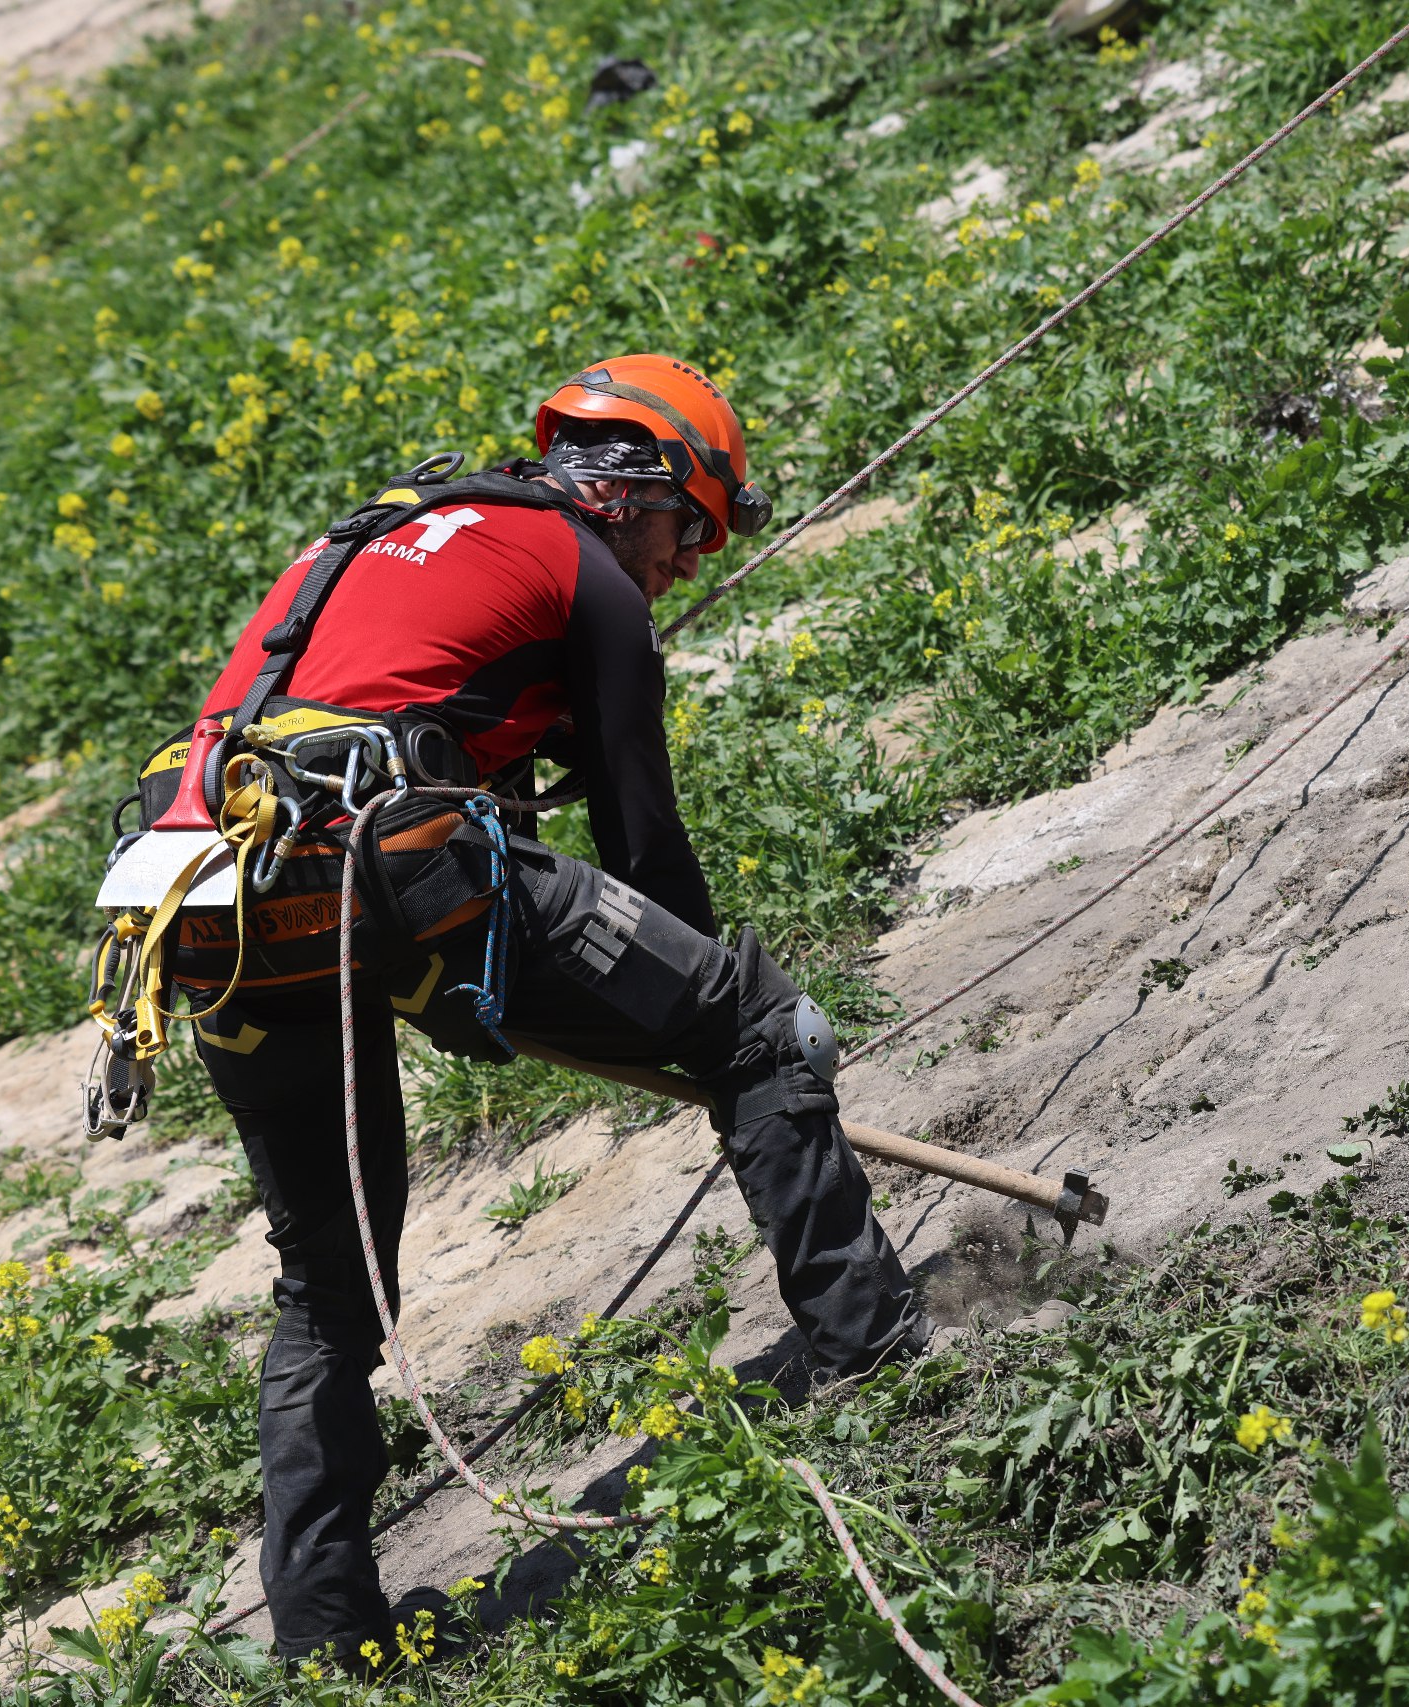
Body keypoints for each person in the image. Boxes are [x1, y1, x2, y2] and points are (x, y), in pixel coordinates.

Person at [161, 354, 928, 1664]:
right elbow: (646, 849)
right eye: (694, 531)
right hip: (399, 871)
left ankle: (324, 1641)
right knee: (755, 1023)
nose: (687, 565)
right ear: (641, 497)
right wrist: (699, 1012)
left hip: (209, 905)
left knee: (328, 1287)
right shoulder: (586, 576)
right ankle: (883, 1352)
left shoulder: (376, 535)